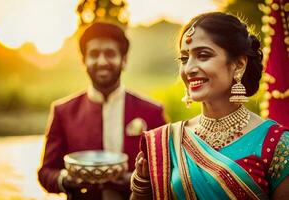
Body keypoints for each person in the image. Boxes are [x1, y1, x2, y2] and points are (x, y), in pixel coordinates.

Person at [131, 12, 289, 200]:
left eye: (203, 55)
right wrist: (141, 187)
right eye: (184, 59)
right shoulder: (167, 142)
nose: (189, 68)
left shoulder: (276, 143)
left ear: (238, 65)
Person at [38, 22, 166, 200]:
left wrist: (136, 180)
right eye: (94, 54)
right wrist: (67, 179)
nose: (102, 62)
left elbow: (168, 171)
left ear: (124, 60)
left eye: (110, 54)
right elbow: (45, 172)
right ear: (84, 61)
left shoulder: (152, 111)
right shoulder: (63, 111)